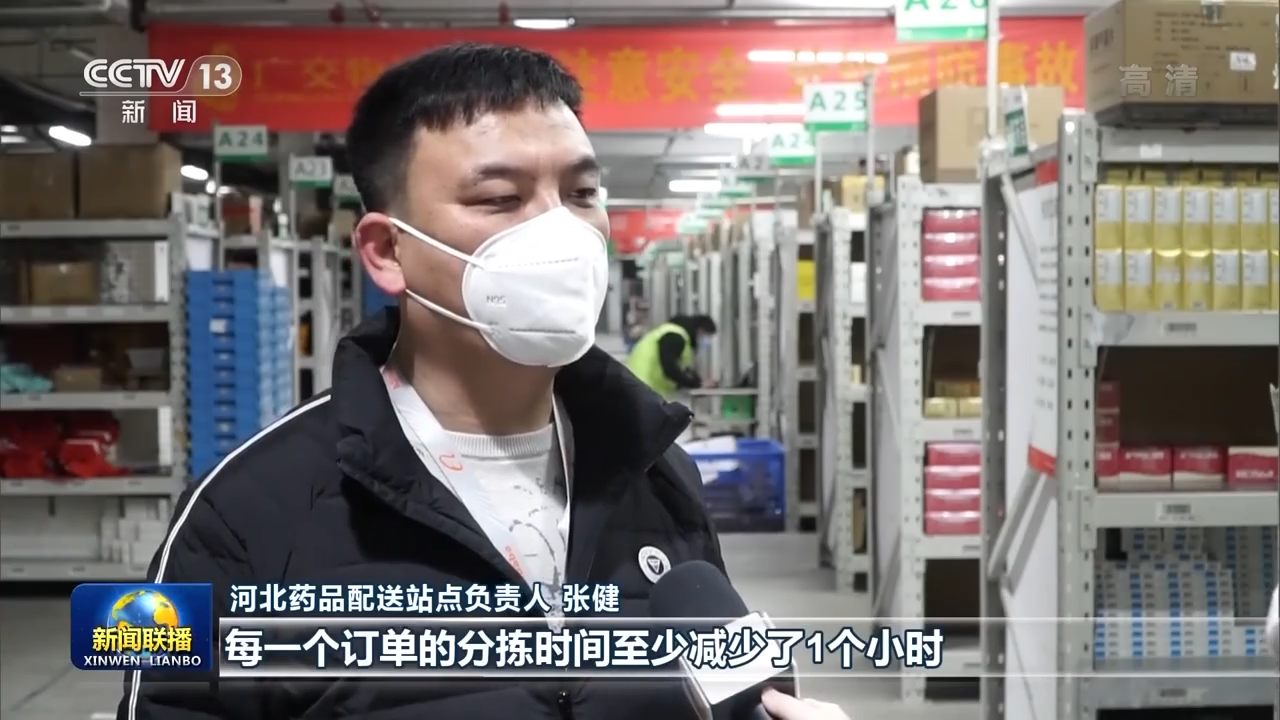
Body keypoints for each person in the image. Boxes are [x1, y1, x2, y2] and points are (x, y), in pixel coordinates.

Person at [118, 43, 731, 719]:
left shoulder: (656, 472)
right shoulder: (244, 515)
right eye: (500, 198)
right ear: (388, 251)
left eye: (581, 193)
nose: (562, 231)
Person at [625, 314, 718, 398]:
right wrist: (696, 385)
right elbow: (670, 369)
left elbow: (682, 368)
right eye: (706, 336)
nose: (706, 341)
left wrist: (698, 381)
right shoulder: (675, 336)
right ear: (700, 330)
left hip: (641, 387)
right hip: (642, 386)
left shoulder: (676, 335)